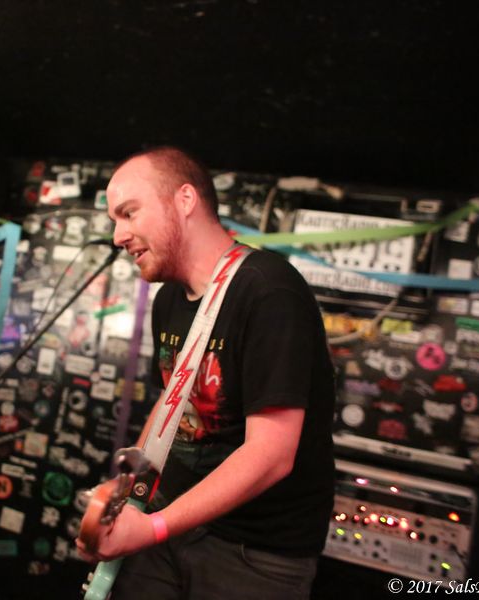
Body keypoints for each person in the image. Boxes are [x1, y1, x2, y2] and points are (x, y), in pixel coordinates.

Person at [77, 147, 335, 599]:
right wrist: (129, 489)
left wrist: (154, 527)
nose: (118, 236)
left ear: (185, 199)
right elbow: (173, 402)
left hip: (252, 552)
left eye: (128, 213)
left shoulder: (269, 291)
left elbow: (271, 455)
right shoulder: (169, 299)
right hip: (169, 518)